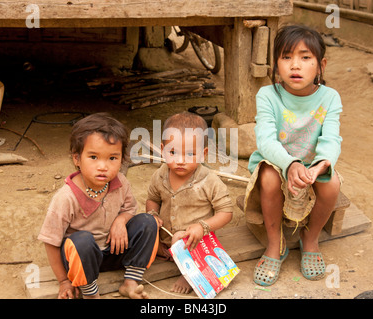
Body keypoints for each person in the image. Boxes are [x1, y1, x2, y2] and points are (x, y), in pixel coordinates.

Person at [245, 24, 343, 286]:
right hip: (277, 162)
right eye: (286, 57)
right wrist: (289, 164)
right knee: (267, 177)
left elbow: (332, 138)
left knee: (332, 183)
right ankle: (275, 244)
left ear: (321, 65)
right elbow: (265, 139)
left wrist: (321, 165)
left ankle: (310, 240)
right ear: (276, 65)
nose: (295, 65)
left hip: (312, 164)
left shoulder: (330, 98)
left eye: (305, 57)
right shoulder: (268, 95)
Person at [38, 112, 158, 299]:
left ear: (122, 159)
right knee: (82, 241)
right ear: (77, 159)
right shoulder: (66, 197)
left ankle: (131, 282)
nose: (103, 166)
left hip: (115, 251)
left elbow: (129, 209)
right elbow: (51, 241)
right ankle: (91, 293)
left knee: (148, 222)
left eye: (112, 158)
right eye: (93, 157)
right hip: (82, 261)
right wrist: (63, 281)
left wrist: (120, 220)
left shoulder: (121, 182)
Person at [146, 111, 233, 294]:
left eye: (190, 154)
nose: (180, 160)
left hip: (195, 241)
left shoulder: (209, 181)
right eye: (172, 152)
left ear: (203, 154)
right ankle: (163, 250)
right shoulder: (160, 174)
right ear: (163, 149)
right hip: (166, 238)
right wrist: (153, 215)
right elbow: (152, 199)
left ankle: (188, 273)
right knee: (144, 224)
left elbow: (226, 212)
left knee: (181, 237)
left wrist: (203, 226)